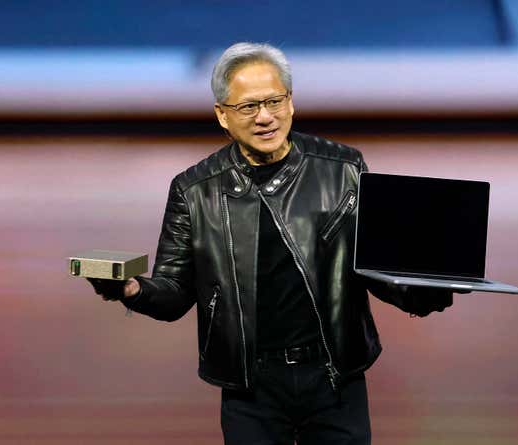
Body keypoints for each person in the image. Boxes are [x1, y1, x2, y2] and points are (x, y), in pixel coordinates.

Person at [88, 42, 454, 445]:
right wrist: (131, 289)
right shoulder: (194, 190)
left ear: (291, 103)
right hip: (250, 386)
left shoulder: (343, 169)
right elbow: (175, 291)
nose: (265, 117)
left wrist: (428, 291)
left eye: (274, 101)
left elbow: (374, 267)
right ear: (222, 115)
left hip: (335, 377)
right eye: (248, 107)